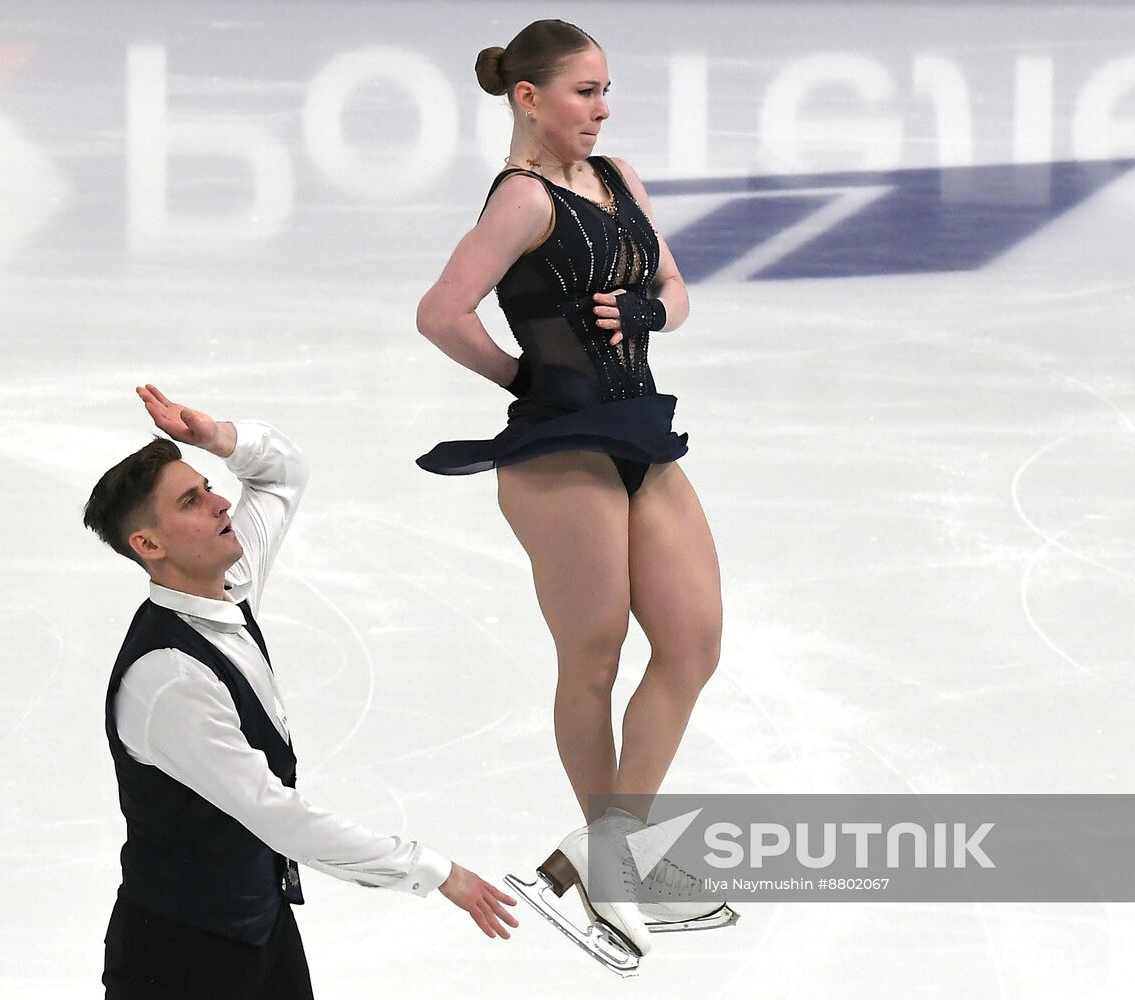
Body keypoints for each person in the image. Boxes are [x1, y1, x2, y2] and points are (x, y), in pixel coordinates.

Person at [414, 20, 731, 964]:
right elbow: (440, 312)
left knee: (692, 642)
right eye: (582, 92)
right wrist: (521, 380)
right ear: (528, 97)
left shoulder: (619, 179)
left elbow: (675, 287)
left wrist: (649, 311)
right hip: (560, 454)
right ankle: (615, 869)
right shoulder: (521, 201)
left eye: (603, 91)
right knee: (594, 655)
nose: (599, 109)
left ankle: (606, 857)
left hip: (639, 433)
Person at [84, 384, 516, 999]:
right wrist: (432, 871)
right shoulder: (169, 677)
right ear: (148, 545)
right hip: (181, 956)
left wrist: (214, 438)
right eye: (190, 500)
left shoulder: (228, 584)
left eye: (206, 486)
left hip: (260, 927)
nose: (219, 501)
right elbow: (274, 815)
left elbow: (281, 474)